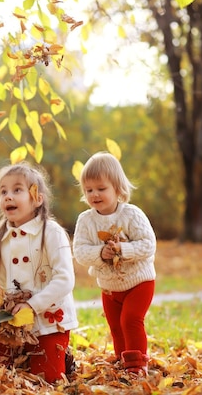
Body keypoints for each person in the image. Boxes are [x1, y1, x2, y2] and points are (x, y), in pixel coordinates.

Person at [0, 162, 78, 383]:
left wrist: (32, 305)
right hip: (13, 325)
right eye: (3, 191)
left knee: (46, 378)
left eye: (17, 190)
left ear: (37, 198)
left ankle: (61, 357)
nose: (8, 196)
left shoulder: (51, 232)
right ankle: (24, 354)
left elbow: (65, 279)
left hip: (50, 322)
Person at [72, 151, 156, 376]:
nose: (94, 194)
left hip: (139, 281)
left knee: (131, 320)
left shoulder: (131, 214)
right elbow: (79, 252)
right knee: (116, 326)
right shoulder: (86, 220)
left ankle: (137, 364)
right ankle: (122, 361)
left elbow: (148, 244)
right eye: (89, 190)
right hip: (110, 286)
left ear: (118, 189)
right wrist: (102, 252)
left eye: (101, 188)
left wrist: (123, 249)